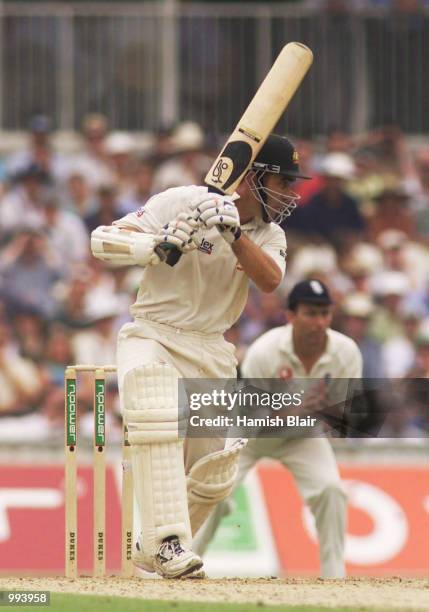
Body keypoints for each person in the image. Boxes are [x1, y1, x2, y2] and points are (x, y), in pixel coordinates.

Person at [90, 134, 309, 579]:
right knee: (156, 409)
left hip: (211, 348)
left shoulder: (269, 233)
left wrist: (231, 235)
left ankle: (153, 543)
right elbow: (102, 241)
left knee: (214, 472)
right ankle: (168, 544)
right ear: (253, 178)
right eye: (283, 182)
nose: (289, 193)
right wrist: (154, 247)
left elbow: (270, 281)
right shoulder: (182, 200)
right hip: (153, 333)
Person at [193, 280, 363, 579]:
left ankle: (334, 578)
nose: (319, 322)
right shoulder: (265, 352)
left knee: (332, 490)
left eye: (325, 314)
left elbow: (344, 419)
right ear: (291, 316)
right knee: (215, 494)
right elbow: (252, 422)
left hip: (303, 436)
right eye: (311, 313)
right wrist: (298, 408)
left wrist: (322, 414)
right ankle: (190, 561)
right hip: (248, 435)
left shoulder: (346, 352)